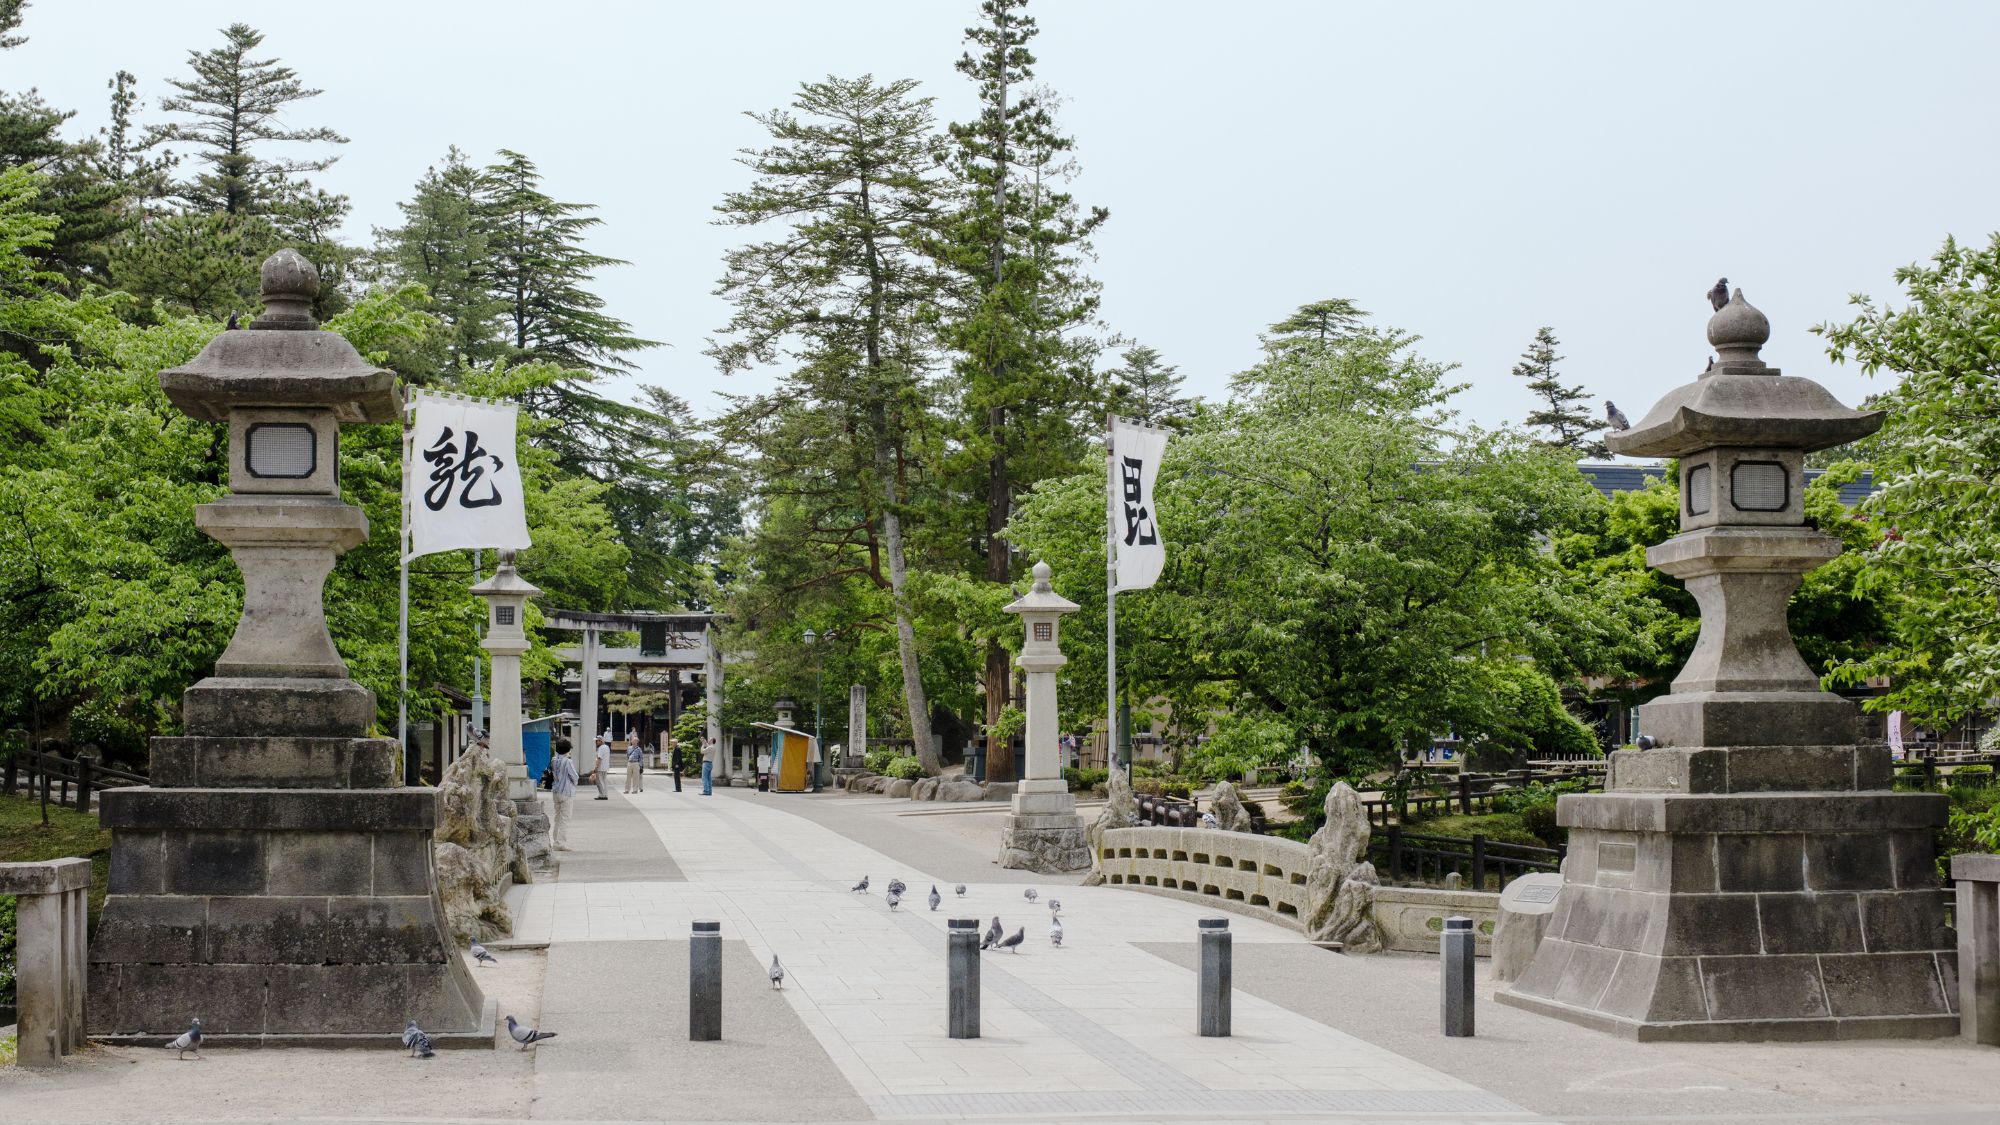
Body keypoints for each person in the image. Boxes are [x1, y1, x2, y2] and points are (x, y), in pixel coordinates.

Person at [549, 738, 579, 850]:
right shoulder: (568, 761)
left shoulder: (553, 760)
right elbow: (574, 776)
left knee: (557, 817)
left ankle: (555, 840)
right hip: (566, 791)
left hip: (556, 791)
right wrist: (574, 783)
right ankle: (560, 842)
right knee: (565, 818)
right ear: (567, 750)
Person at [593, 734, 611, 800]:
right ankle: (605, 794)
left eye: (597, 741)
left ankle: (602, 795)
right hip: (605, 767)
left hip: (600, 767)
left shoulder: (600, 748)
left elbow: (599, 758)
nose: (595, 742)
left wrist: (596, 767)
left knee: (599, 782)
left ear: (600, 741)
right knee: (604, 781)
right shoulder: (607, 747)